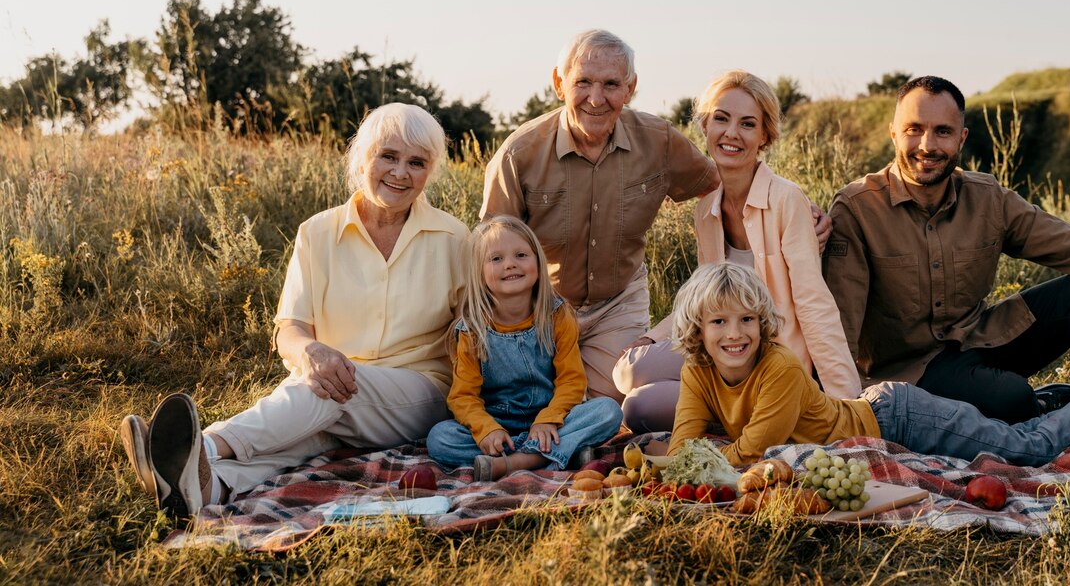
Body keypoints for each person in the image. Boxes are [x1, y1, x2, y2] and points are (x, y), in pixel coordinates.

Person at [119, 104, 468, 518]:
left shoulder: (454, 238)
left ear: (430, 171)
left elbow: (478, 328)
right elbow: (291, 327)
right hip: (325, 388)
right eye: (388, 156)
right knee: (306, 429)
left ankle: (203, 444)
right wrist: (310, 353)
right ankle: (207, 486)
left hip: (418, 394)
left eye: (417, 163)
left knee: (330, 390)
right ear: (362, 158)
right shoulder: (317, 232)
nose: (400, 172)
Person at [822, 75, 1070, 424]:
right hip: (913, 371)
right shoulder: (858, 209)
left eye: (942, 132)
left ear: (962, 138)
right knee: (1010, 398)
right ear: (893, 134)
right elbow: (839, 327)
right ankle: (1049, 408)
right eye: (913, 130)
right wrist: (850, 416)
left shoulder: (988, 199)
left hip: (980, 338)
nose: (927, 145)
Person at [482, 30, 831, 401]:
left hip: (617, 304)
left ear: (630, 88)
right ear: (559, 82)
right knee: (527, 401)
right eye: (583, 82)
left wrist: (797, 209)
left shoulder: (658, 140)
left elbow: (724, 179)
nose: (596, 99)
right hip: (542, 305)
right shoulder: (518, 154)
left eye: (611, 84)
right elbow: (487, 255)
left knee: (609, 402)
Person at [667, 262, 1070, 467]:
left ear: (762, 321)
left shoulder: (779, 366)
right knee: (1021, 435)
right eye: (719, 322)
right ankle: (1064, 400)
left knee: (1032, 450)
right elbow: (680, 449)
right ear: (698, 328)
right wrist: (685, 460)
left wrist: (698, 460)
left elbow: (751, 453)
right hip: (881, 414)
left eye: (748, 319)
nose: (735, 334)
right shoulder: (697, 372)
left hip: (897, 419)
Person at [614, 71, 860, 432]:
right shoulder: (706, 211)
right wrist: (651, 337)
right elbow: (701, 301)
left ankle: (763, 413)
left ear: (764, 136)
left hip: (769, 363)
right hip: (721, 351)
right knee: (631, 382)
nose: (731, 133)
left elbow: (813, 303)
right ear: (705, 125)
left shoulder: (786, 200)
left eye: (747, 124)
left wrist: (846, 409)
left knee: (642, 405)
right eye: (721, 119)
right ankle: (731, 415)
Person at [425, 216, 623, 480]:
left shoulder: (557, 315)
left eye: (521, 255)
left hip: (553, 418)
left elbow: (571, 380)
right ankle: (558, 454)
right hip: (499, 424)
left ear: (538, 263)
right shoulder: (472, 329)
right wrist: (487, 430)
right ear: (479, 273)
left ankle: (513, 462)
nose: (510, 264)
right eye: (496, 259)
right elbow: (463, 397)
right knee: (440, 438)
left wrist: (548, 419)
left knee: (608, 411)